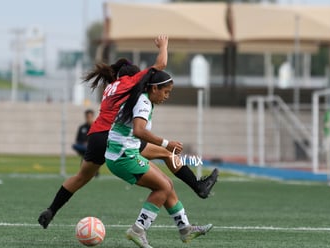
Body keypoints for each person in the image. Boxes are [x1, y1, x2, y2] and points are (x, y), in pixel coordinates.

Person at [38, 35, 218, 229]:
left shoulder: (111, 87)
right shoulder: (131, 82)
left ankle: (51, 210)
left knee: (81, 177)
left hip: (97, 135)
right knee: (167, 155)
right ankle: (197, 186)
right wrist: (163, 45)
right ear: (133, 75)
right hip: (116, 136)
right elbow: (161, 63)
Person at [106, 70, 212, 248]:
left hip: (124, 151)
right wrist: (166, 143)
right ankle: (138, 230)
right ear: (154, 88)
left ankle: (185, 228)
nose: (167, 96)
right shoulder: (144, 102)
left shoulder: (142, 99)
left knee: (167, 183)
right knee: (163, 186)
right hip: (123, 155)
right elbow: (139, 131)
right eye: (166, 92)